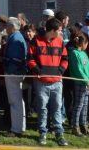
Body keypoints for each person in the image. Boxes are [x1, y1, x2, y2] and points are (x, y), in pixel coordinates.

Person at [27, 17, 69, 147]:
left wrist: (60, 71)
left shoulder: (60, 42)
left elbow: (65, 59)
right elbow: (30, 59)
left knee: (57, 107)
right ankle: (42, 133)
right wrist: (38, 70)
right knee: (42, 108)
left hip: (57, 82)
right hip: (41, 82)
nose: (61, 32)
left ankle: (59, 133)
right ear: (53, 30)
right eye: (60, 30)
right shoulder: (36, 41)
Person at [68, 32, 89, 137]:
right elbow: (78, 70)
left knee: (85, 105)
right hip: (80, 83)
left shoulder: (84, 53)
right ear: (83, 43)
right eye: (87, 44)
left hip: (87, 84)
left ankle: (84, 125)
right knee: (79, 105)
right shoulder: (74, 53)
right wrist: (87, 82)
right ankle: (75, 126)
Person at [3, 16, 27, 136]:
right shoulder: (17, 36)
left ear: (12, 27)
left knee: (14, 101)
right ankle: (20, 127)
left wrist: (9, 71)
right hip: (16, 73)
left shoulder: (15, 38)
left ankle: (16, 129)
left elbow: (15, 59)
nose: (5, 28)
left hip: (13, 73)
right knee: (18, 101)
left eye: (7, 25)